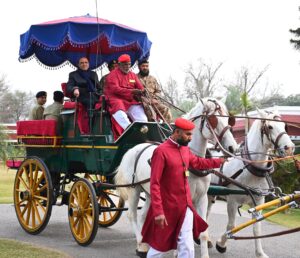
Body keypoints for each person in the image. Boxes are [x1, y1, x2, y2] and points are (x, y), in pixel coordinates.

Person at [141, 117, 225, 258]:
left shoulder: (185, 149)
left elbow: (198, 162)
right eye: (188, 134)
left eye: (191, 134)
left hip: (185, 208)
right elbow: (154, 184)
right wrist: (158, 212)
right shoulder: (161, 152)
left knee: (187, 246)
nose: (190, 138)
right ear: (177, 132)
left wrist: (218, 161)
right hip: (167, 209)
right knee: (158, 249)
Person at [104, 54, 148, 131]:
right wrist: (132, 91)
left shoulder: (133, 75)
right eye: (125, 64)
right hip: (116, 99)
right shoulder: (112, 75)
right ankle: (129, 131)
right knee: (119, 109)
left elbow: (140, 87)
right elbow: (115, 89)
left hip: (130, 101)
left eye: (129, 64)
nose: (127, 66)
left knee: (142, 118)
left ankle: (143, 132)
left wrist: (143, 91)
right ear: (119, 65)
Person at [66, 57, 101, 134]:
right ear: (78, 64)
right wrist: (75, 89)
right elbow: (69, 86)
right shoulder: (73, 74)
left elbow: (99, 87)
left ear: (88, 64)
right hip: (81, 95)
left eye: (86, 62)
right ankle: (90, 129)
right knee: (90, 100)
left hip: (94, 94)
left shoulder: (93, 74)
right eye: (82, 63)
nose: (84, 64)